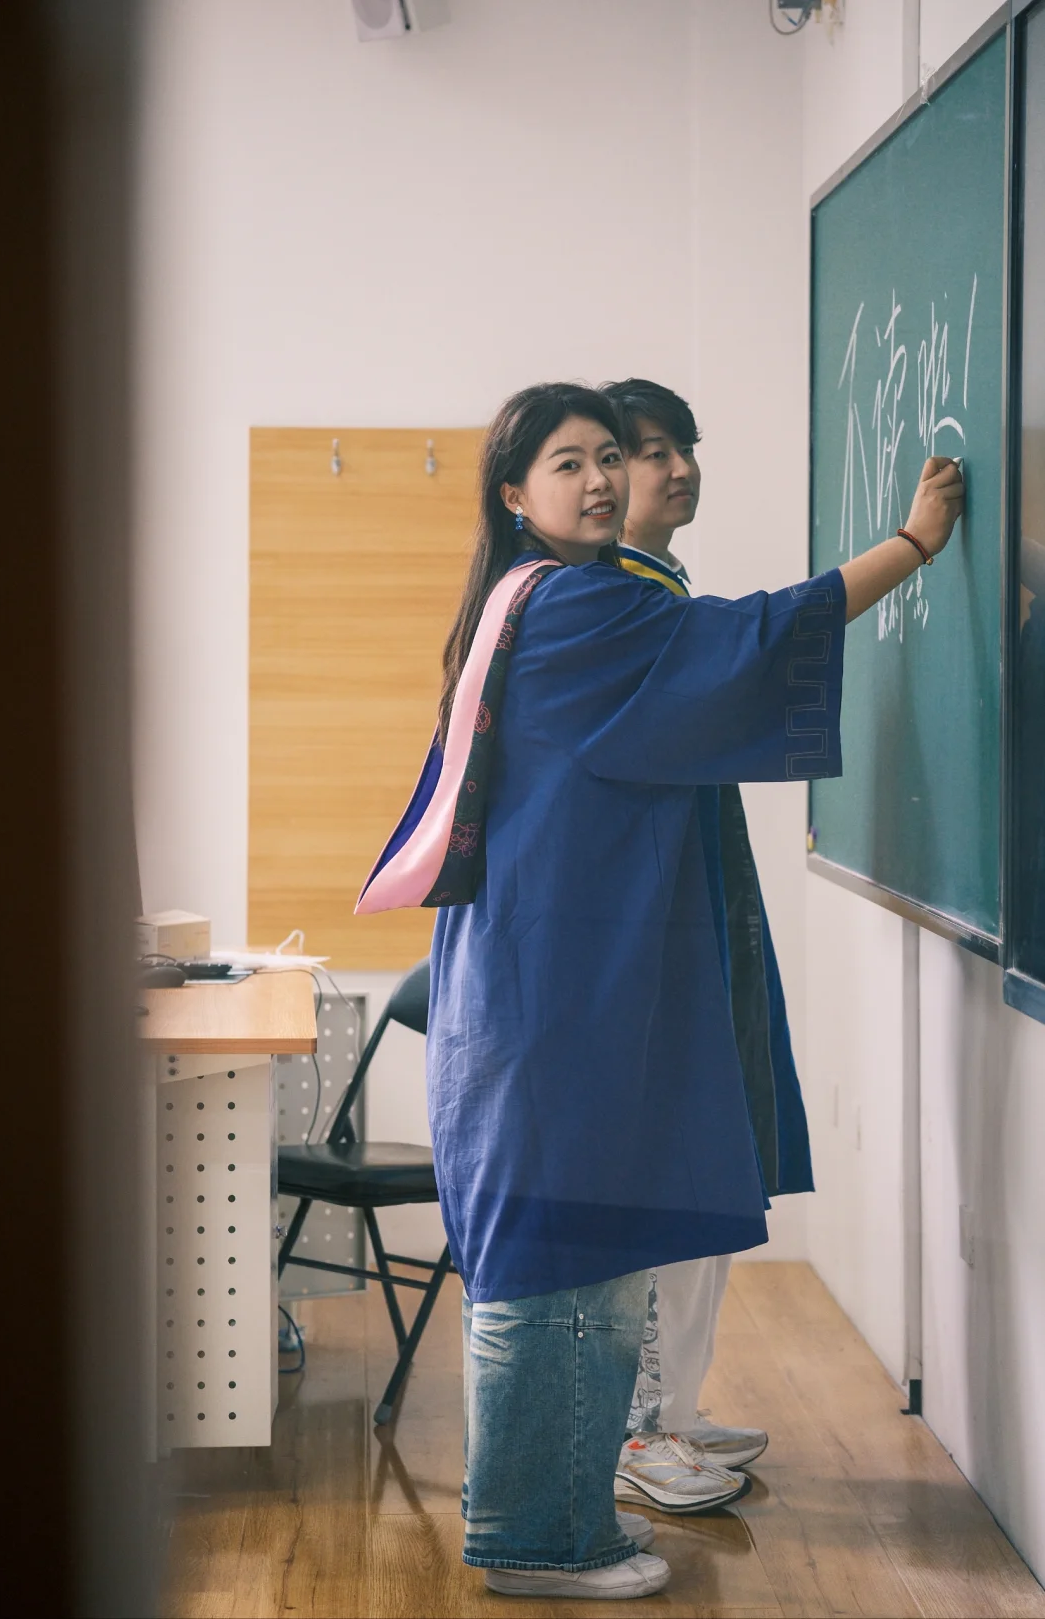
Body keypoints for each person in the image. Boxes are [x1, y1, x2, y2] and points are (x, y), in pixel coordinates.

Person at [356, 382, 963, 1601]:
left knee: (561, 1263)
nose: (599, 481)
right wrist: (913, 547)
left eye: (604, 460)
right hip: (559, 992)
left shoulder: (528, 599)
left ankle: (541, 1521)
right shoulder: (586, 608)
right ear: (514, 495)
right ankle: (539, 1542)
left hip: (541, 980)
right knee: (561, 1269)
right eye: (569, 463)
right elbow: (749, 638)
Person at [596, 376, 800, 1514]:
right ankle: (635, 1432)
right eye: (650, 449)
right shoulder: (613, 601)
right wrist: (915, 545)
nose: (678, 468)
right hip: (649, 924)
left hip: (690, 902)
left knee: (707, 1157)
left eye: (686, 446)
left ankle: (671, 1413)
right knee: (666, 1170)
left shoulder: (658, 584)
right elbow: (762, 640)